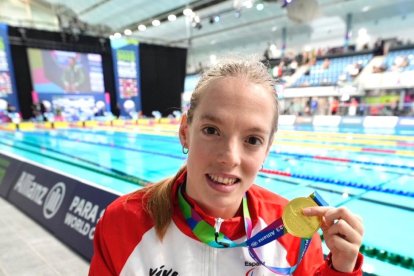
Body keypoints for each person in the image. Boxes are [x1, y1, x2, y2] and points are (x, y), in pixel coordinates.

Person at [89, 58, 364, 275]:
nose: (230, 157)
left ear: (267, 150)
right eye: (212, 130)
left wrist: (340, 270)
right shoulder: (123, 223)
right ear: (185, 131)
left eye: (252, 140)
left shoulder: (291, 234)